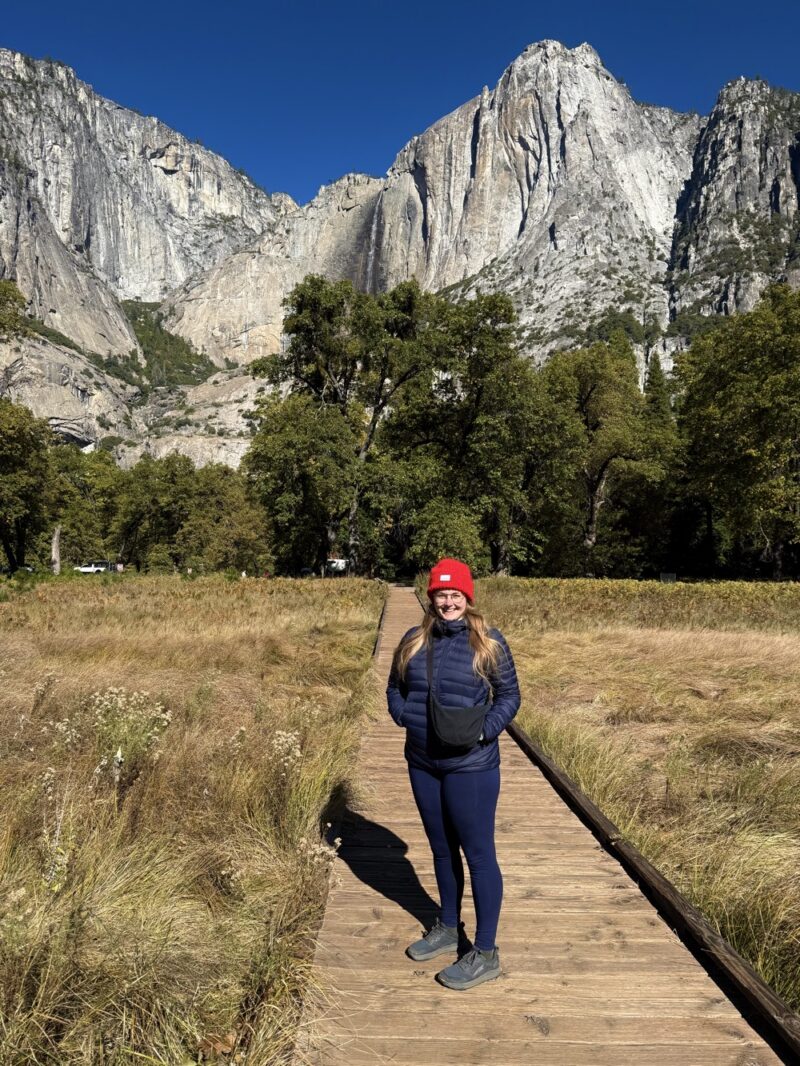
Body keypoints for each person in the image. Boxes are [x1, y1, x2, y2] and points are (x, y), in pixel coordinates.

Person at [386, 557, 520, 989]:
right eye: (441, 594)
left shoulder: (489, 643)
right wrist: (403, 713)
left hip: (471, 765)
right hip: (423, 761)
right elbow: (394, 687)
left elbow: (510, 696)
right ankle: (447, 926)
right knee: (441, 850)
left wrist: (485, 730)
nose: (448, 602)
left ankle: (485, 951)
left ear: (468, 598)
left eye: (455, 595)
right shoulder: (412, 640)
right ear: (431, 597)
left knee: (478, 856)